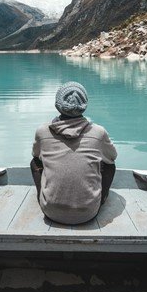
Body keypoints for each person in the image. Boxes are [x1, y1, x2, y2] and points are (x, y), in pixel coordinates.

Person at [31, 81, 117, 225]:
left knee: (35, 163)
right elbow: (112, 157)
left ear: (57, 105)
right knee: (109, 164)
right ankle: (101, 198)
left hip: (50, 211)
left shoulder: (42, 131)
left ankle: (44, 197)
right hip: (88, 213)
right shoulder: (98, 132)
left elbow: (36, 155)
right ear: (84, 105)